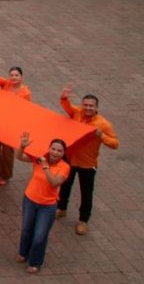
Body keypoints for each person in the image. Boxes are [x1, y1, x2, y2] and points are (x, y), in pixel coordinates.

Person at [57, 84, 119, 235]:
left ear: (97, 107)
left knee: (86, 193)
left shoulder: (103, 124)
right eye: (85, 105)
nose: (88, 108)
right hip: (70, 158)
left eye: (91, 106)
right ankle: (62, 208)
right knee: (65, 185)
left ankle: (83, 220)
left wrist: (101, 136)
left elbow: (115, 144)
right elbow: (68, 108)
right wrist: (64, 97)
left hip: (87, 164)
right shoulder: (78, 113)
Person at [15, 133, 70, 274]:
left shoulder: (64, 167)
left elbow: (54, 183)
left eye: (59, 151)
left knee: (40, 235)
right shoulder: (39, 157)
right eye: (53, 149)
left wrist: (45, 166)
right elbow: (19, 157)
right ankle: (23, 253)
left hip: (47, 206)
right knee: (26, 229)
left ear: (63, 154)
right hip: (30, 199)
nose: (55, 153)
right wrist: (22, 146)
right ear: (49, 148)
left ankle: (35, 262)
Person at [0, 59, 32, 186]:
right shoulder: (7, 84)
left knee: (7, 151)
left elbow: (26, 110)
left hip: (12, 125)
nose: (14, 78)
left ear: (21, 77)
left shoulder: (26, 93)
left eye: (16, 75)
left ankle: (4, 175)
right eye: (11, 75)